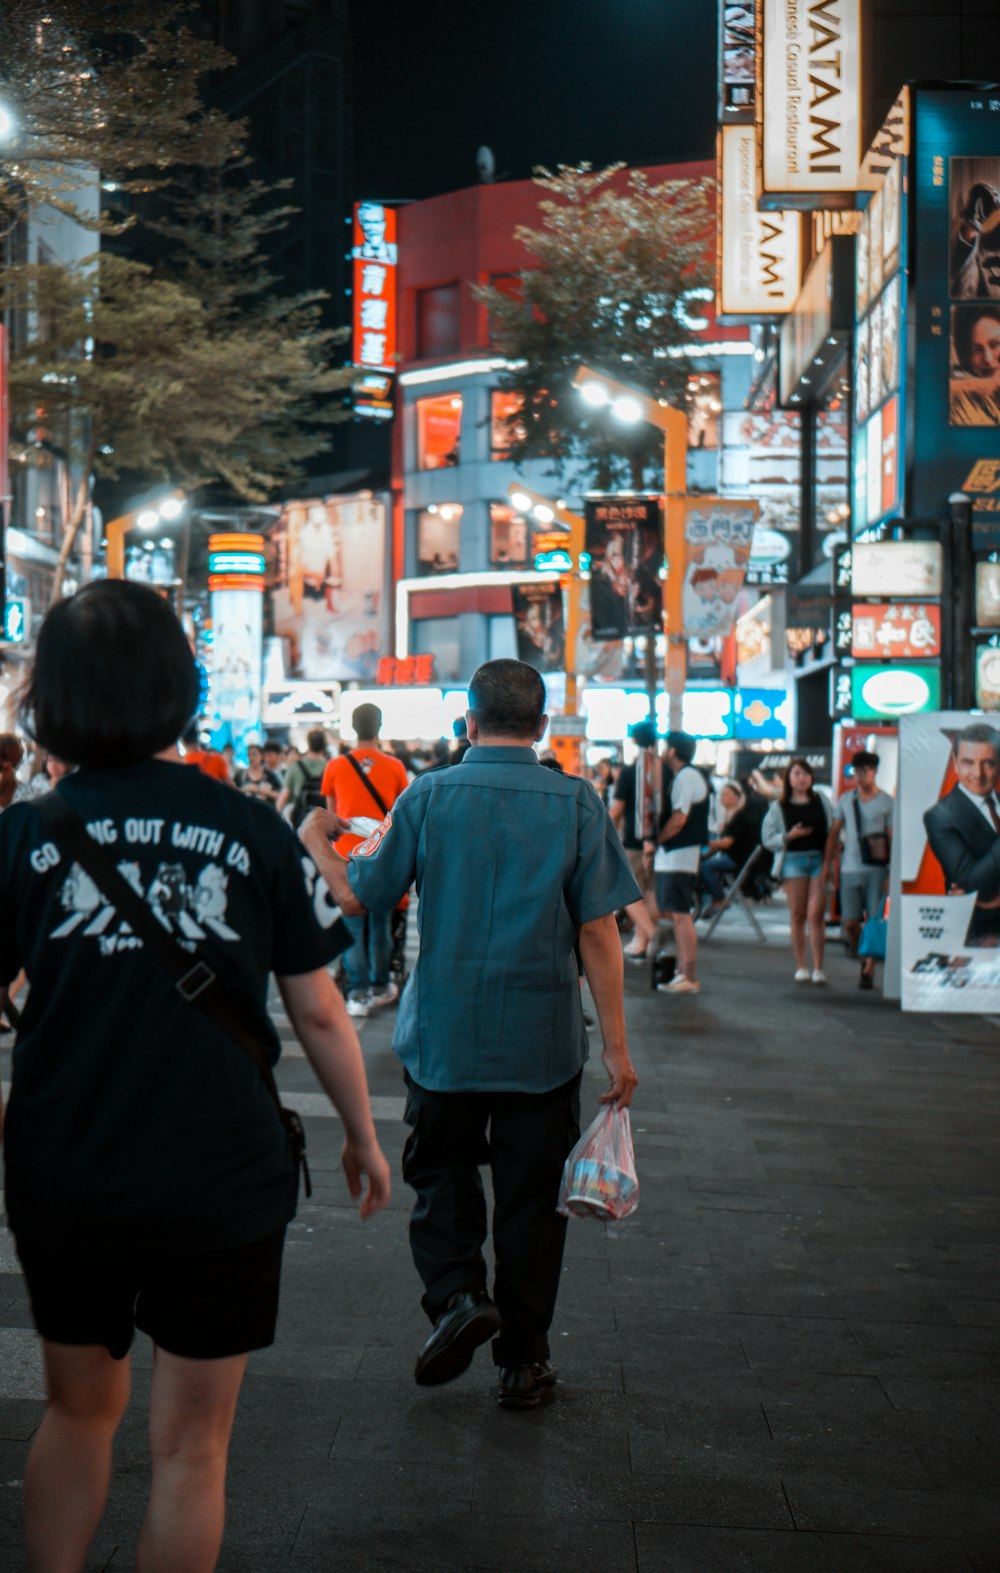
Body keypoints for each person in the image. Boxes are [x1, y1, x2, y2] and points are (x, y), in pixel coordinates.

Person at [0, 580, 391, 1573]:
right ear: (180, 685)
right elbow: (314, 1007)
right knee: (190, 1448)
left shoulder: (22, 837)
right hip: (219, 1166)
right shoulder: (251, 826)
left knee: (78, 1413)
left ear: (54, 695)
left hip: (67, 1160)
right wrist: (360, 1132)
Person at [299, 658, 639, 1411]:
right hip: (542, 1042)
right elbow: (598, 930)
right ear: (544, 726)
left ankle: (457, 1296)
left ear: (467, 723)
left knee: (442, 1175)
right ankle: (524, 1360)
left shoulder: (428, 796)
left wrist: (315, 836)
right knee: (532, 1201)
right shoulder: (576, 802)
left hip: (445, 1036)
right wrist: (616, 1045)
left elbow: (357, 894)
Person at [321, 703, 409, 1018]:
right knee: (382, 925)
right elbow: (400, 816)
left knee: (353, 927)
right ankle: (379, 985)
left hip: (346, 855)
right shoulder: (396, 766)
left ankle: (356, 993)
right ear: (380, 726)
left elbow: (331, 819)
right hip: (381, 854)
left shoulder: (335, 766)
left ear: (353, 727)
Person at [924, 722, 1000, 947]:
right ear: (956, 764)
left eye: (988, 763)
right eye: (968, 762)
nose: (978, 774)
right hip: (978, 934)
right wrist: (985, 898)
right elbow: (975, 884)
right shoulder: (940, 816)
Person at [647, 731, 709, 995]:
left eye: (665, 748)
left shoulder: (687, 777)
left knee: (681, 916)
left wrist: (659, 838)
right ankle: (684, 972)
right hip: (675, 856)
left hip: (679, 856)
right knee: (675, 913)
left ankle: (689, 975)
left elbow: (679, 819)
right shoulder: (683, 776)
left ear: (672, 750)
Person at [824, 751, 893, 988]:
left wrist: (891, 872)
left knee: (873, 920)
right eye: (859, 771)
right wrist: (827, 866)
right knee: (849, 922)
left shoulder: (887, 803)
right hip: (849, 867)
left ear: (875, 772)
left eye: (867, 770)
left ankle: (868, 967)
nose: (862, 775)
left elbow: (892, 838)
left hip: (877, 869)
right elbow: (834, 833)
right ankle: (859, 949)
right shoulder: (846, 800)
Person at [762, 759, 833, 984]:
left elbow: (833, 829)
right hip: (792, 860)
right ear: (789, 779)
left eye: (806, 774)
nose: (802, 778)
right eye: (797, 774)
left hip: (819, 859)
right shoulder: (779, 807)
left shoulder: (822, 800)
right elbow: (767, 838)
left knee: (816, 913)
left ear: (811, 778)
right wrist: (788, 836)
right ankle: (802, 965)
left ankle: (819, 967)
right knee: (798, 914)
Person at [610, 721, 661, 960]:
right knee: (648, 893)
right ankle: (642, 941)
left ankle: (651, 934)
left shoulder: (630, 773)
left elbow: (617, 809)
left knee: (628, 893)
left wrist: (604, 830)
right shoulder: (664, 770)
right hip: (661, 842)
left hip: (634, 841)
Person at [700, 781, 760, 914]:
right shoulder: (733, 815)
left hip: (737, 859)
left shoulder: (739, 816)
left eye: (725, 795)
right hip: (734, 857)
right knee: (705, 862)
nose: (722, 798)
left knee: (705, 867)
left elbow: (727, 843)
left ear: (735, 797)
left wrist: (707, 843)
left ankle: (720, 898)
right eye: (721, 795)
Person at [276, 727, 329, 826]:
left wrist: (275, 817)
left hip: (302, 822)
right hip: (324, 822)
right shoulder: (330, 767)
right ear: (324, 746)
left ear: (308, 745)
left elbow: (285, 795)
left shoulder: (295, 767)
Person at [234, 741, 281, 809]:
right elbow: (232, 792)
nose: (251, 758)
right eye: (249, 755)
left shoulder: (270, 775)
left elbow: (280, 795)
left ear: (262, 756)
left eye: (254, 754)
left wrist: (261, 790)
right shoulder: (240, 775)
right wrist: (245, 789)